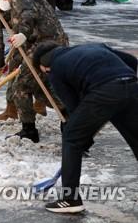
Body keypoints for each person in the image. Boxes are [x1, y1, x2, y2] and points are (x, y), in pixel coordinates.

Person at [33, 42, 138, 213]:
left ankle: (70, 199)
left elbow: (73, 107)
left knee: (71, 137)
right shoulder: (93, 47)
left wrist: (83, 136)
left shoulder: (55, 70)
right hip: (132, 86)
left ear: (44, 67)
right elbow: (131, 61)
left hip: (104, 92)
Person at [0, 0, 69, 142]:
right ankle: (69, 115)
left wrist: (23, 34)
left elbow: (28, 15)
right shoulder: (17, 5)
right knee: (41, 87)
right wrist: (10, 64)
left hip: (46, 45)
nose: (0, 0)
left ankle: (29, 130)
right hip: (48, 45)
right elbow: (23, 47)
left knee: (22, 86)